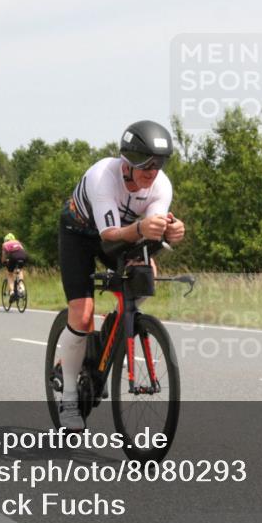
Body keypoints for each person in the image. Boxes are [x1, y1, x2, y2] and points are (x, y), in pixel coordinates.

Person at [56, 120, 186, 430]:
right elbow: (110, 237)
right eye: (146, 162)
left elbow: (149, 233)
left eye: (160, 163)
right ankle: (70, 397)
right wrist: (142, 228)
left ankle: (110, 333)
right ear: (126, 161)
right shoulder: (104, 176)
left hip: (121, 234)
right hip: (81, 235)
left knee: (145, 274)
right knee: (82, 312)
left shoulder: (161, 185)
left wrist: (170, 232)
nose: (152, 170)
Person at [1, 233, 28, 302]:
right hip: (23, 255)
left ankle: (12, 292)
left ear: (6, 240)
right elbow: (22, 250)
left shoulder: (4, 244)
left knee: (10, 274)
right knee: (20, 270)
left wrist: (4, 262)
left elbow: (4, 256)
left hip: (13, 256)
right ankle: (21, 288)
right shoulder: (17, 242)